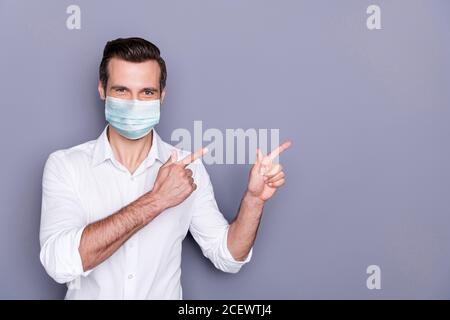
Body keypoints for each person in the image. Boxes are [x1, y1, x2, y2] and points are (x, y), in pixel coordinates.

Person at [39, 37, 291, 299]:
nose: (134, 103)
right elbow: (59, 264)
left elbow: (228, 257)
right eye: (121, 90)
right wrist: (157, 200)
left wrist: (254, 200)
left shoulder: (189, 169)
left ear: (162, 96)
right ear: (102, 90)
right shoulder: (65, 165)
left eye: (147, 92)